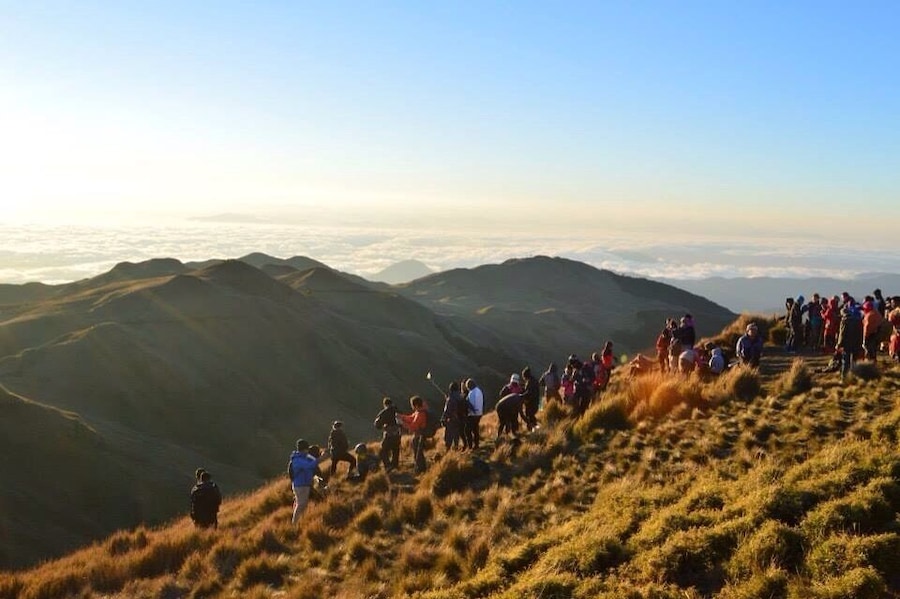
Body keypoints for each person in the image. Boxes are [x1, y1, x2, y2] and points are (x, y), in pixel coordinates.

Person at [287, 439, 320, 524]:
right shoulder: (297, 460)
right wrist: (321, 459)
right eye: (306, 449)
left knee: (302, 504)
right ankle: (295, 524)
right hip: (300, 485)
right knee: (301, 505)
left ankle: (299, 522)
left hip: (304, 484)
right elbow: (309, 466)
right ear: (304, 449)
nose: (308, 451)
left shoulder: (304, 457)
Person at [398, 396, 428, 473]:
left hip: (419, 436)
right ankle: (421, 468)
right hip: (419, 435)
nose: (412, 406)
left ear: (416, 405)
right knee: (418, 453)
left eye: (412, 405)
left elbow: (413, 427)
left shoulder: (420, 414)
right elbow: (411, 418)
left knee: (418, 453)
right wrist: (401, 417)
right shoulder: (419, 412)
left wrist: (402, 423)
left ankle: (420, 469)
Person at [837, 301, 864, 382]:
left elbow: (842, 334)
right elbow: (860, 333)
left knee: (845, 361)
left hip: (847, 344)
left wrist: (839, 344)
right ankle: (854, 376)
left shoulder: (844, 321)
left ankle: (844, 378)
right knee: (854, 361)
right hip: (856, 343)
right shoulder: (857, 321)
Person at [373, 398, 401, 471]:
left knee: (383, 451)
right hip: (398, 434)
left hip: (389, 435)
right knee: (395, 450)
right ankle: (395, 465)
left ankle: (388, 466)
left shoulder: (384, 412)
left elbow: (377, 424)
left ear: (385, 404)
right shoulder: (397, 411)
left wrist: (383, 426)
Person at [441, 381, 463, 451]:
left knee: (448, 436)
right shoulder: (461, 397)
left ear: (450, 389)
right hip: (460, 419)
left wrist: (443, 419)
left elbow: (447, 410)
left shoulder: (450, 399)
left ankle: (447, 450)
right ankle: (456, 447)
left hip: (452, 420)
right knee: (456, 435)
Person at [464, 379, 484, 450]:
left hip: (473, 414)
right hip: (479, 413)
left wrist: (466, 402)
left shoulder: (472, 392)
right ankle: (476, 445)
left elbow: (471, 405)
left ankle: (470, 446)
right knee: (475, 430)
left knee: (467, 430)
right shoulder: (479, 390)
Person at [520, 367, 540, 431]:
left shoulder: (529, 382)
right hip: (535, 401)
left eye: (523, 376)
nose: (523, 378)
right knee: (531, 415)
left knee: (529, 415)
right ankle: (534, 428)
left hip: (530, 403)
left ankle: (531, 429)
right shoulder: (534, 380)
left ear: (526, 376)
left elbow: (529, 393)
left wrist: (522, 394)